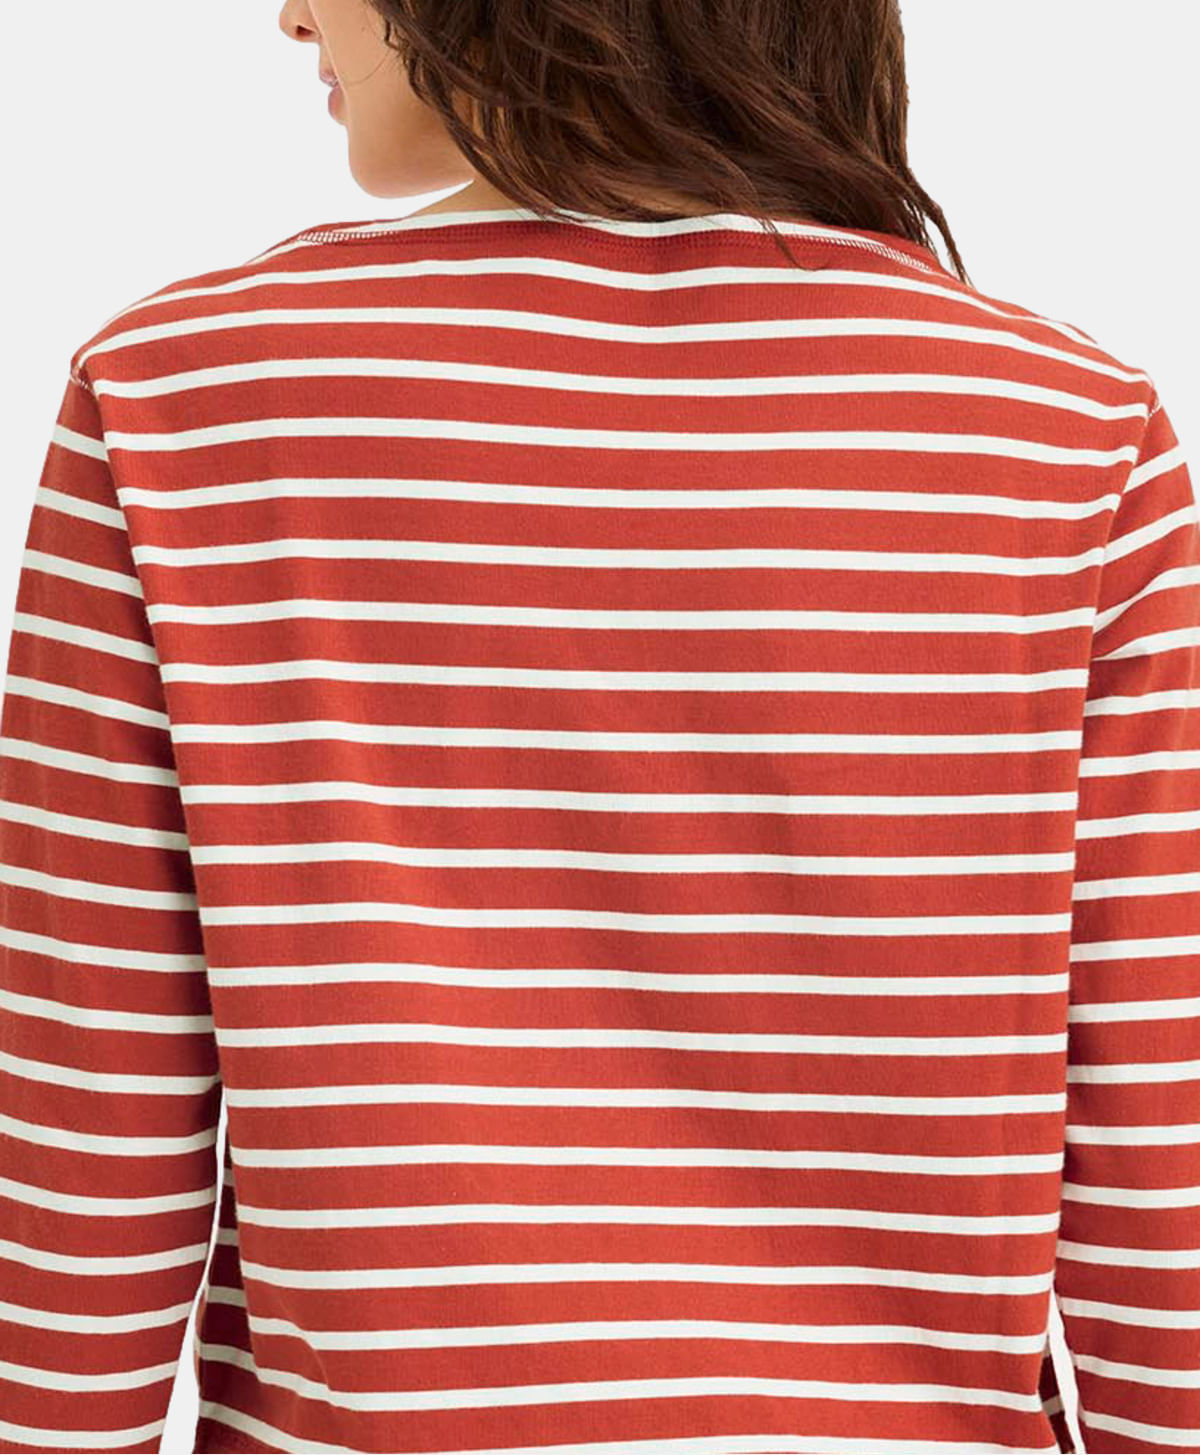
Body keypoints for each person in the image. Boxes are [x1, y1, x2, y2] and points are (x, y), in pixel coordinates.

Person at [0, 1, 1196, 1452]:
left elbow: (86, 1136)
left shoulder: (185, 398)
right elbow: (1158, 1152)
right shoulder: (1066, 431)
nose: (290, 11)